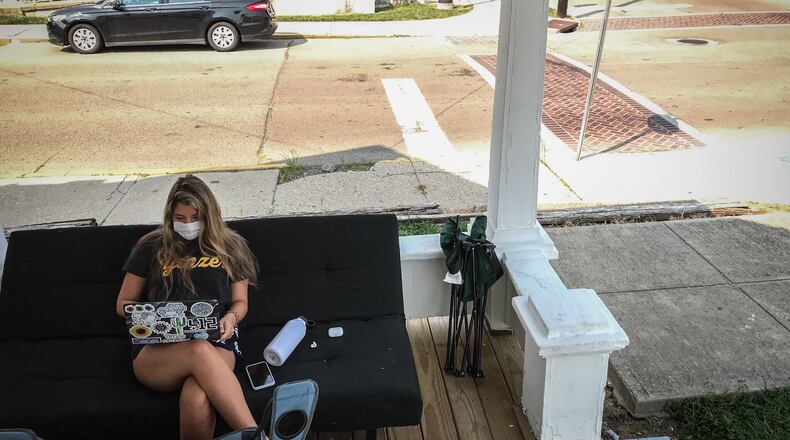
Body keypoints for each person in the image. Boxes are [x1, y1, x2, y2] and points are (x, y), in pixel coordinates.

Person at [115, 174, 265, 440]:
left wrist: (231, 317)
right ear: (170, 215)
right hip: (157, 352)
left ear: (209, 215)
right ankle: (256, 436)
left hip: (218, 343)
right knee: (197, 350)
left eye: (195, 218)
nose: (187, 225)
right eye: (180, 219)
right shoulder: (151, 246)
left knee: (197, 397)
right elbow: (123, 303)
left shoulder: (231, 246)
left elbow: (241, 302)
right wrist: (152, 318)